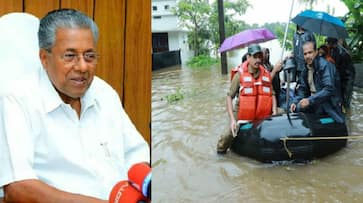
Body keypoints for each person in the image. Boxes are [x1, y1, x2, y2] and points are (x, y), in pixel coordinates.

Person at [0, 9, 150, 203]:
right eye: (70, 56)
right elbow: (18, 188)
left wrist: (143, 186)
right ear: (45, 58)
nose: (82, 67)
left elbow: (135, 153)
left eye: (89, 56)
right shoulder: (17, 99)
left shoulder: (103, 92)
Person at [217, 44, 282, 154]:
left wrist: (274, 112)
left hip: (262, 111)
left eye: (260, 57)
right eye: (255, 57)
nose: (258, 60)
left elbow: (272, 94)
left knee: (283, 113)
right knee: (227, 136)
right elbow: (229, 97)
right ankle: (220, 152)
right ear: (248, 57)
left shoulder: (266, 74)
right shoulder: (239, 75)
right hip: (243, 111)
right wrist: (233, 120)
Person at [290, 41, 345, 123]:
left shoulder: (325, 65)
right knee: (297, 108)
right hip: (314, 102)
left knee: (339, 123)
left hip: (328, 103)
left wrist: (309, 100)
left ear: (316, 52)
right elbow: (302, 90)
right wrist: (295, 101)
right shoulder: (305, 70)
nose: (307, 56)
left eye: (310, 52)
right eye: (305, 54)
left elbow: (329, 89)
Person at [326, 37, 355, 111]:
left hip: (347, 80)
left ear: (332, 43)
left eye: (328, 43)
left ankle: (347, 118)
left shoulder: (343, 53)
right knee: (338, 101)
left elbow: (348, 72)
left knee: (345, 102)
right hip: (339, 79)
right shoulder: (332, 51)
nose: (326, 44)